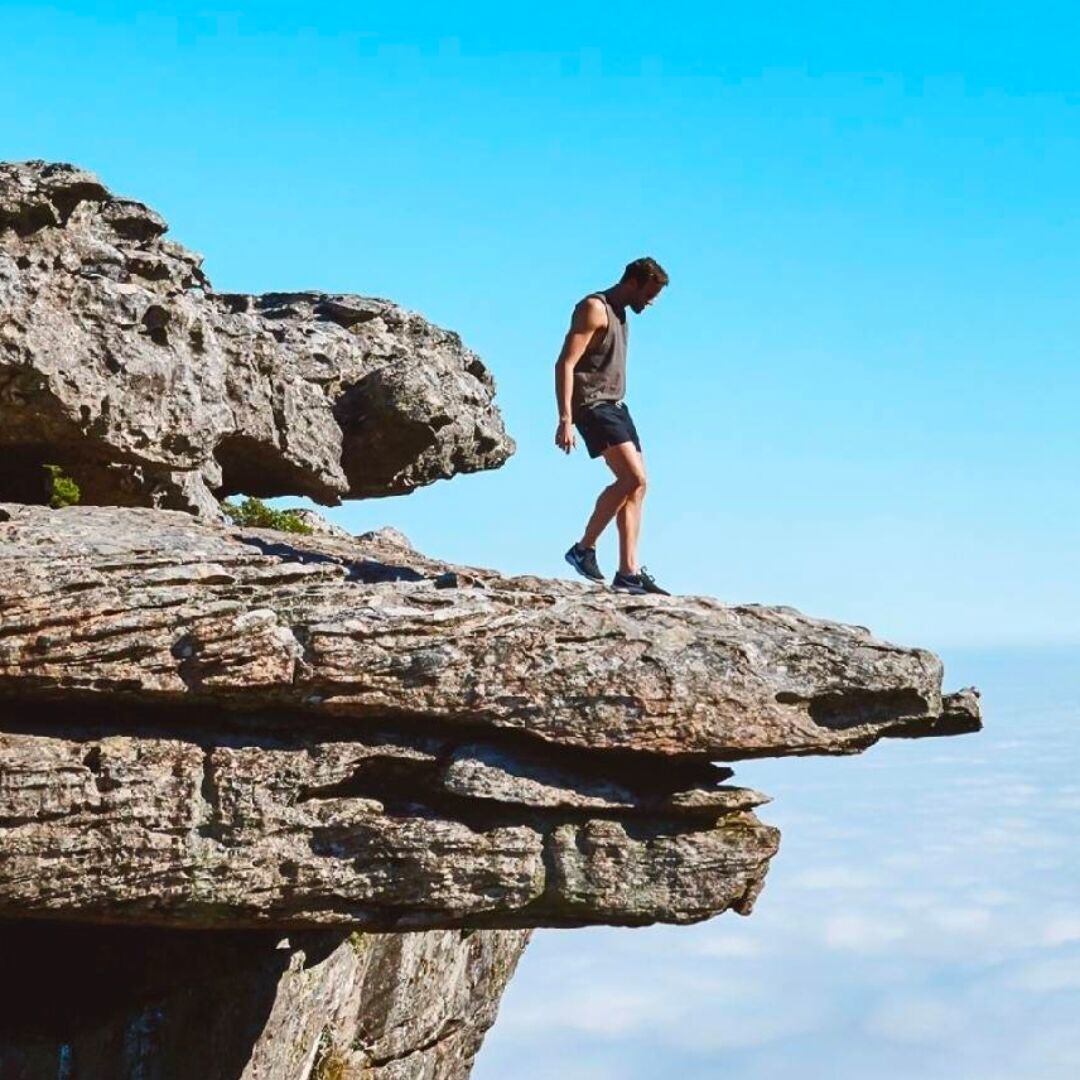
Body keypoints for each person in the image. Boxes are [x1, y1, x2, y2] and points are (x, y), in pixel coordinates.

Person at [554, 256, 670, 595]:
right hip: (591, 405)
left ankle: (628, 573)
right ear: (633, 282)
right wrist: (565, 418)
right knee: (632, 477)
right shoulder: (594, 308)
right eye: (648, 295)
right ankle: (583, 549)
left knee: (638, 487)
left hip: (617, 405)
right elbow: (565, 362)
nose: (650, 303)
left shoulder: (620, 313)